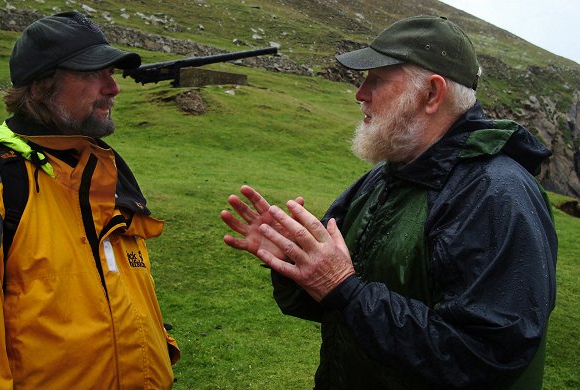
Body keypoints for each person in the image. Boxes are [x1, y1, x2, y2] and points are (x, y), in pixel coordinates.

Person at [221, 15, 557, 389]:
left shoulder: (497, 195)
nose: (359, 93)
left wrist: (344, 288)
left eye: (376, 79)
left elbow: (484, 357)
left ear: (431, 94)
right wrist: (294, 261)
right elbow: (333, 306)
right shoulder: (383, 179)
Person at [0, 11, 179, 388]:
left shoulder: (105, 176)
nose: (113, 88)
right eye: (94, 74)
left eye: (111, 73)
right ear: (41, 87)